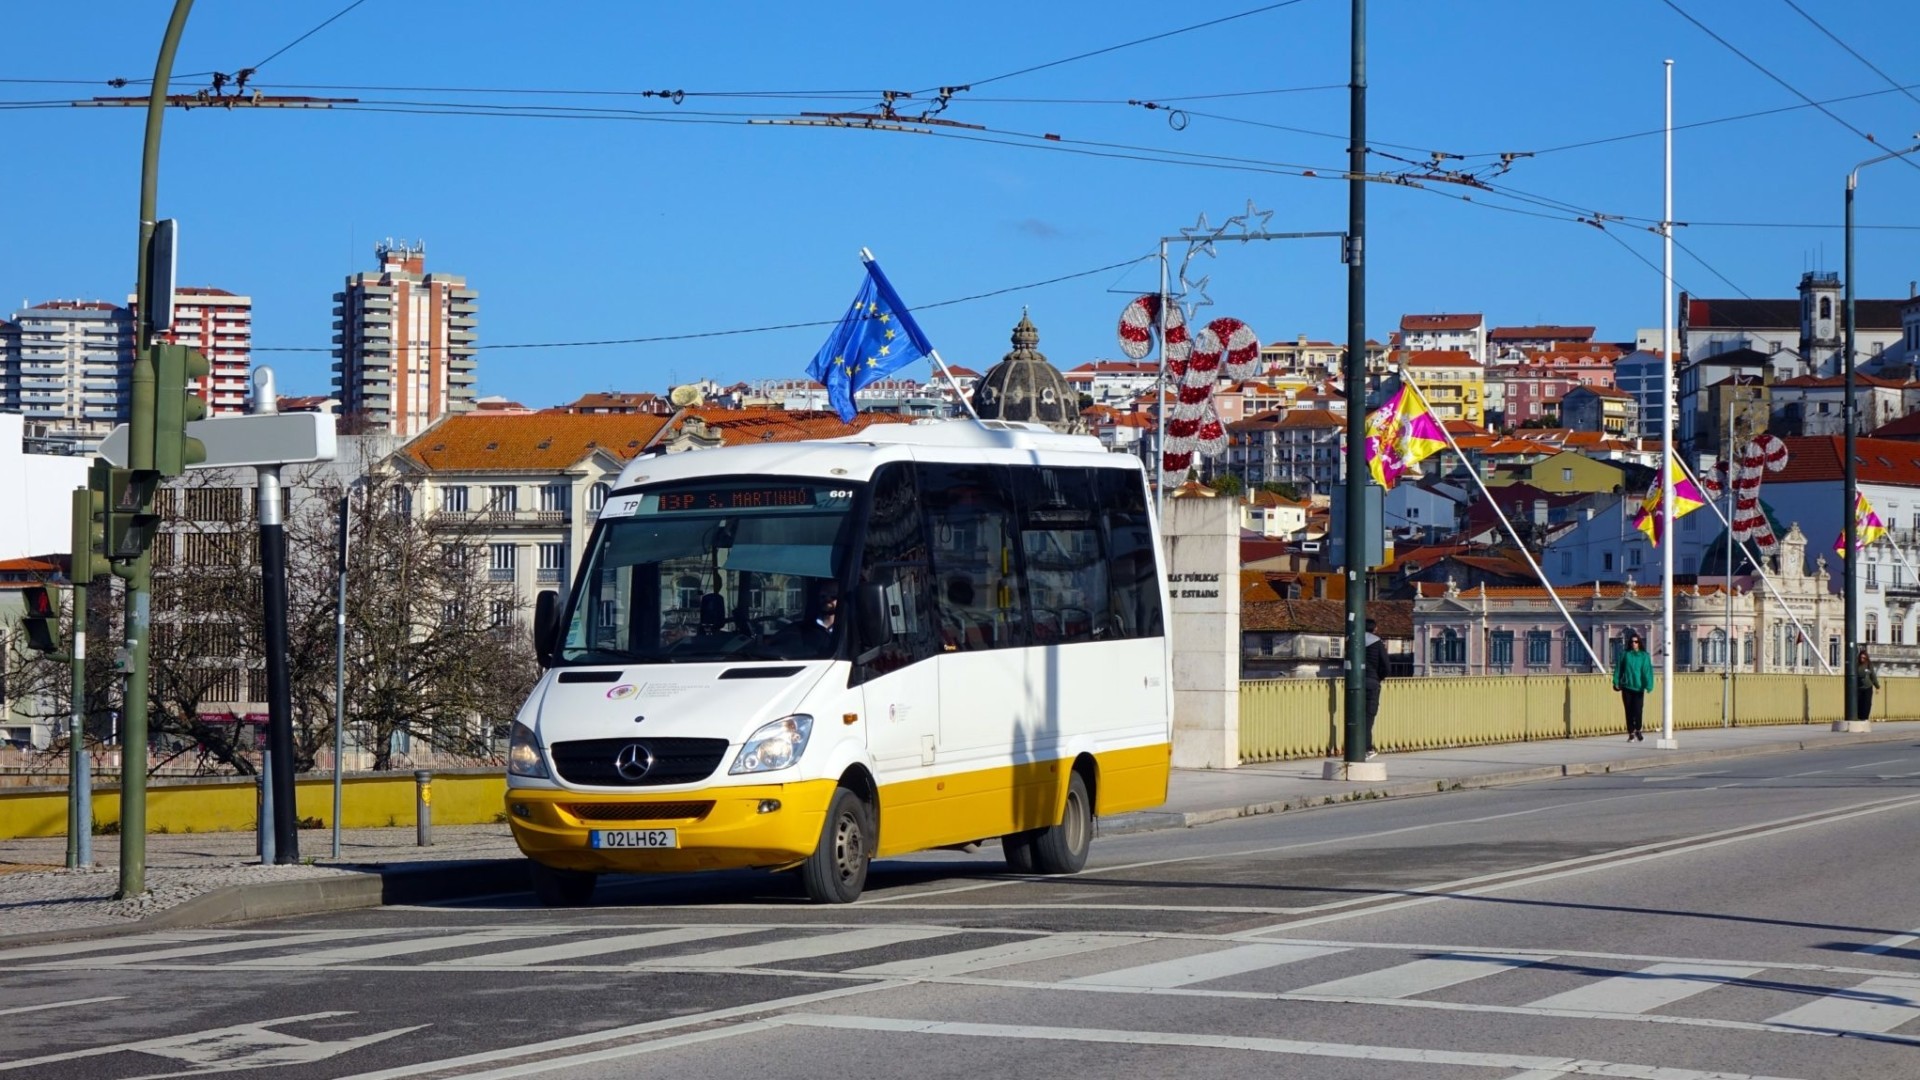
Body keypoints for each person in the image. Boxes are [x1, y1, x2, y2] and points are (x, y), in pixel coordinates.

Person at [1612, 632, 1655, 741]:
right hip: (1627, 686)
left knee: (1638, 710)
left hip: (1639, 687)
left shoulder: (1644, 656)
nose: (1633, 643)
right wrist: (1616, 681)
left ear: (1639, 643)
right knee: (1629, 710)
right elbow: (1618, 669)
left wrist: (1649, 684)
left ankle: (1638, 730)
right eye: (1631, 641)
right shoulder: (1625, 654)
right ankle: (1631, 732)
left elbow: (1647, 671)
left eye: (1636, 641)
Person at [1363, 618, 1389, 761]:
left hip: (1354, 683)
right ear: (1375, 629)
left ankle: (1353, 746)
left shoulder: (1352, 640)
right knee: (1368, 716)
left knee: (1354, 716)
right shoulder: (1377, 643)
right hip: (1371, 682)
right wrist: (1378, 678)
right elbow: (1386, 666)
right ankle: (1367, 749)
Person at [1856, 649, 1880, 721]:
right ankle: (1859, 717)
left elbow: (1873, 675)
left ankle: (1865, 718)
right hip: (1858, 687)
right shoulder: (1856, 665)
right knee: (1859, 703)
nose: (1862, 659)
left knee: (1867, 703)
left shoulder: (1869, 665)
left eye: (1864, 658)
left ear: (1866, 658)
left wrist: (1877, 686)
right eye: (1861, 657)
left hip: (1867, 687)